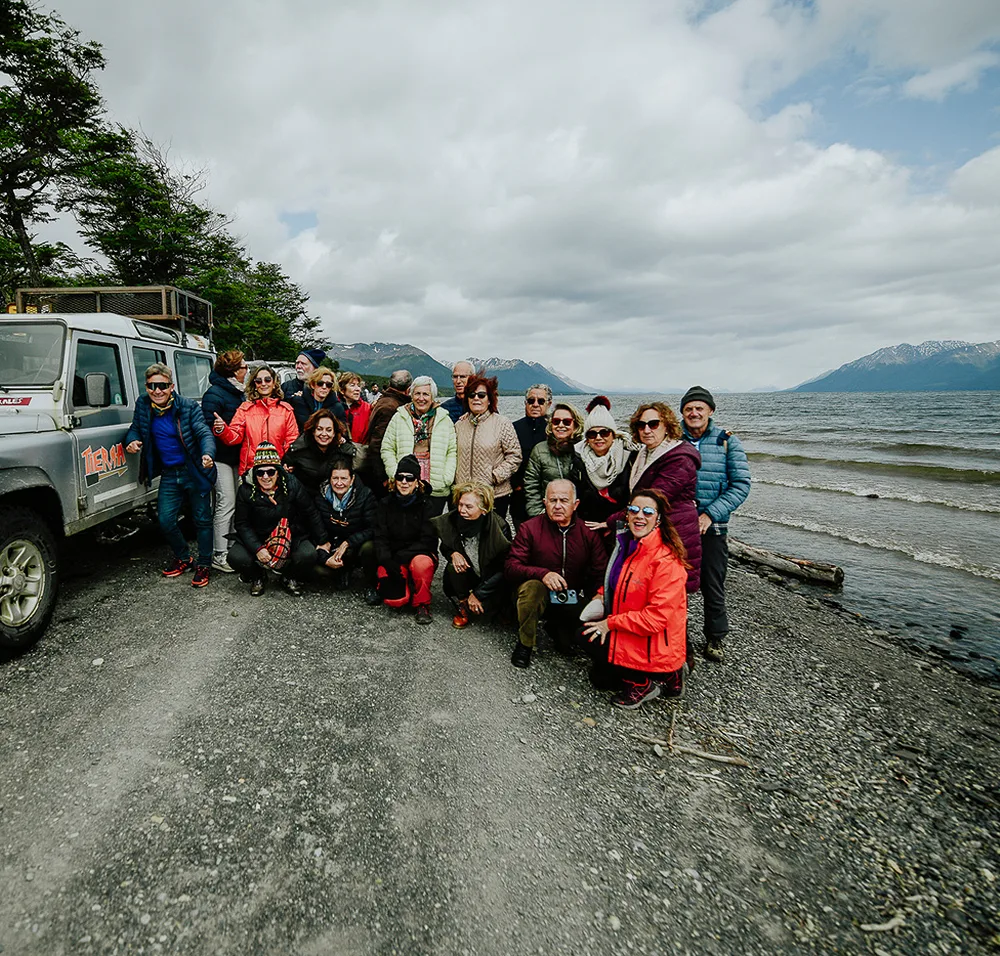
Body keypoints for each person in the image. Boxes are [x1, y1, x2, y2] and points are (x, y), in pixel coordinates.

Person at [582, 489, 690, 709]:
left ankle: (645, 683)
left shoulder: (666, 561)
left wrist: (609, 623)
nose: (640, 516)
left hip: (653, 638)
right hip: (632, 626)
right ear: (627, 514)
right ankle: (669, 675)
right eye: (634, 509)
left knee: (599, 666)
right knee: (587, 641)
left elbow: (655, 619)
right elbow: (616, 580)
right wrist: (601, 596)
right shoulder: (627, 544)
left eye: (648, 512)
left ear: (658, 519)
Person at [125, 363, 217, 588]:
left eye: (162, 386)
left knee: (202, 520)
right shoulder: (143, 404)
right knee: (165, 520)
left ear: (171, 386)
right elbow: (136, 427)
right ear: (146, 387)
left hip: (194, 470)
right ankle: (184, 557)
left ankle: (204, 564)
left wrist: (207, 453)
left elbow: (203, 431)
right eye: (152, 386)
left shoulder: (187, 407)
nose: (157, 391)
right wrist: (131, 440)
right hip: (169, 474)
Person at [680, 386, 751, 663]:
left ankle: (715, 638)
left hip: (714, 528)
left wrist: (710, 515)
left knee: (713, 583)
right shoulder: (674, 439)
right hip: (679, 527)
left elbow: (741, 485)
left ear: (710, 411)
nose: (694, 413)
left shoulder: (726, 441)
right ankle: (678, 635)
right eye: (689, 409)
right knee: (675, 583)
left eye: (699, 408)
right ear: (682, 413)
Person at [504, 479, 607, 668]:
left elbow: (600, 571)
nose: (558, 506)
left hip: (568, 596)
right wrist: (543, 574)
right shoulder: (530, 528)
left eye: (564, 500)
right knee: (532, 589)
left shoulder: (588, 533)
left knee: (569, 642)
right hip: (538, 592)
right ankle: (525, 643)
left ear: (575, 505)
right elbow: (511, 567)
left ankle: (557, 627)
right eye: (552, 501)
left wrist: (598, 596)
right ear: (545, 503)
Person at [607, 402, 702, 593]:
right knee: (649, 590)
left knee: (668, 594)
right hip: (655, 529)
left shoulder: (679, 458)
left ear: (667, 425)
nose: (647, 430)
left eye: (654, 424)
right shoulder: (645, 453)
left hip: (674, 531)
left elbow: (655, 497)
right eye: (641, 425)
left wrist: (610, 521)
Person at [228, 442, 330, 596]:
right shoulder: (246, 489)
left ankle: (289, 577)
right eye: (260, 472)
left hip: (290, 533)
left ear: (278, 472)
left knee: (308, 555)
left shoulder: (292, 484)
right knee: (235, 557)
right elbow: (242, 523)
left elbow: (311, 512)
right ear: (254, 473)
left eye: (270, 471)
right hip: (259, 535)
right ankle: (258, 577)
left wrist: (323, 540)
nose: (266, 477)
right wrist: (258, 548)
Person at [432, 482, 512, 629]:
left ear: (483, 509)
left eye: (469, 507)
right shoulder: (453, 520)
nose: (462, 510)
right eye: (460, 504)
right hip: (470, 572)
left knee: (496, 606)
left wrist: (478, 594)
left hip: (490, 578)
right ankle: (463, 604)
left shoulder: (500, 527)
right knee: (452, 567)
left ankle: (497, 607)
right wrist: (453, 553)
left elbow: (504, 566)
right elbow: (445, 545)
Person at [373, 454, 439, 624]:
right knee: (395, 601)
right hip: (394, 557)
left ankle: (422, 604)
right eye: (400, 477)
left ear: (417, 482)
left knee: (421, 565)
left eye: (409, 478)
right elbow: (380, 536)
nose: (404, 482)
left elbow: (429, 541)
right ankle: (401, 586)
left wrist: (400, 556)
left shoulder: (427, 505)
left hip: (419, 554)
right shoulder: (385, 504)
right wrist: (387, 560)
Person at [201, 350, 249, 573]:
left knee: (235, 503)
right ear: (233, 371)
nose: (247, 371)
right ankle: (219, 554)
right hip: (220, 458)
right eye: (244, 367)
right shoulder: (215, 394)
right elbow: (209, 429)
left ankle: (229, 545)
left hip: (236, 457)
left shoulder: (238, 393)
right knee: (226, 502)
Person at [380, 375, 457, 516]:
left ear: (432, 396)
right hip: (406, 483)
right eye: (417, 393)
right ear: (411, 394)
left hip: (436, 484)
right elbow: (387, 447)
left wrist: (447, 477)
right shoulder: (400, 417)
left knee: (432, 529)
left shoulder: (444, 419)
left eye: (426, 394)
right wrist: (394, 473)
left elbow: (452, 450)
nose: (421, 398)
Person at [454, 374, 522, 519]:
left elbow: (515, 456)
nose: (476, 398)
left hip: (494, 494)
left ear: (489, 399)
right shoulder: (459, 426)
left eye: (481, 395)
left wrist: (495, 476)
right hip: (465, 497)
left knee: (492, 537)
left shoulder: (502, 423)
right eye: (472, 395)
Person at [314, 453, 378, 601]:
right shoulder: (321, 496)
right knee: (318, 568)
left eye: (344, 478)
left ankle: (371, 584)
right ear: (329, 479)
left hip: (355, 543)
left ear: (352, 479)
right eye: (335, 478)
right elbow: (316, 524)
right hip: (333, 543)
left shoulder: (365, 495)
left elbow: (373, 528)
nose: (339, 483)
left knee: (370, 548)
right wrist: (324, 549)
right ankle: (341, 571)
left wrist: (349, 542)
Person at [215, 363, 299, 476]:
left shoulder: (286, 410)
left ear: (274, 383)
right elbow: (234, 438)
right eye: (258, 381)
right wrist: (222, 429)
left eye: (267, 380)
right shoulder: (245, 409)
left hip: (278, 470)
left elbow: (291, 441)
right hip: (251, 470)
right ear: (254, 384)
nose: (263, 384)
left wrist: (289, 462)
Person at [575, 396, 637, 536]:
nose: (598, 438)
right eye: (592, 434)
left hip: (622, 526)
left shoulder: (629, 456)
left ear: (613, 435)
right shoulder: (578, 459)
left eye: (604, 432)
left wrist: (612, 523)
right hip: (589, 528)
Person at [523, 401, 585, 518]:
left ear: (575, 425)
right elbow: (531, 486)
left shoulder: (583, 449)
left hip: (580, 515)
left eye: (566, 422)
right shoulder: (540, 450)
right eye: (556, 421)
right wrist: (539, 514)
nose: (561, 425)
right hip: (549, 513)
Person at [283, 408, 356, 496]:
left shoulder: (344, 451)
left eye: (329, 430)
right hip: (305, 501)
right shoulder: (298, 450)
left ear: (334, 433)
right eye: (319, 429)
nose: (324, 434)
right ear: (313, 431)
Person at [510, 384, 552, 527]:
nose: (535, 404)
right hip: (520, 497)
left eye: (540, 401)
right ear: (525, 403)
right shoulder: (513, 428)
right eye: (531, 401)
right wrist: (515, 485)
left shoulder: (555, 429)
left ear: (549, 404)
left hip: (549, 497)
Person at [364, 369, 412, 495]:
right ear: (408, 388)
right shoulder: (390, 408)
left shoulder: (385, 400)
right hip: (382, 475)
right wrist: (383, 477)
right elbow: (377, 444)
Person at [338, 371, 372, 444]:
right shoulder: (333, 407)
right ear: (342, 390)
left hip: (360, 451)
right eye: (352, 385)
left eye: (358, 385)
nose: (358, 389)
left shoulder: (367, 408)